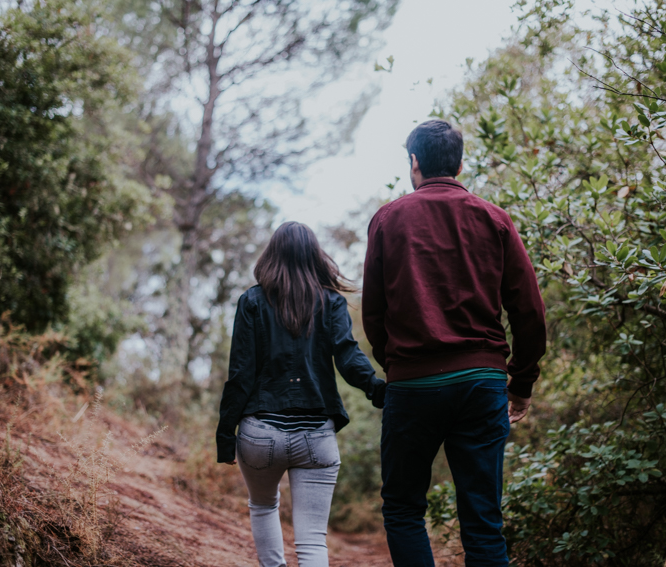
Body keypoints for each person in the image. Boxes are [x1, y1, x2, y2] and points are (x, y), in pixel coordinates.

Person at [362, 119, 547, 566]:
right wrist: (520, 384)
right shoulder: (494, 218)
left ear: (414, 162)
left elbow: (373, 312)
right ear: (460, 164)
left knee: (404, 508)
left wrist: (399, 367)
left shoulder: (388, 219)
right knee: (483, 519)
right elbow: (529, 312)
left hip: (412, 385)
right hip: (481, 383)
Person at [217, 221, 386, 567]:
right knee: (311, 541)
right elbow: (349, 357)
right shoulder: (331, 302)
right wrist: (378, 389)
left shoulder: (251, 301)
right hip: (315, 436)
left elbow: (240, 374)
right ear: (314, 256)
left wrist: (225, 435)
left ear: (271, 255)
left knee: (263, 506)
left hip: (259, 434)